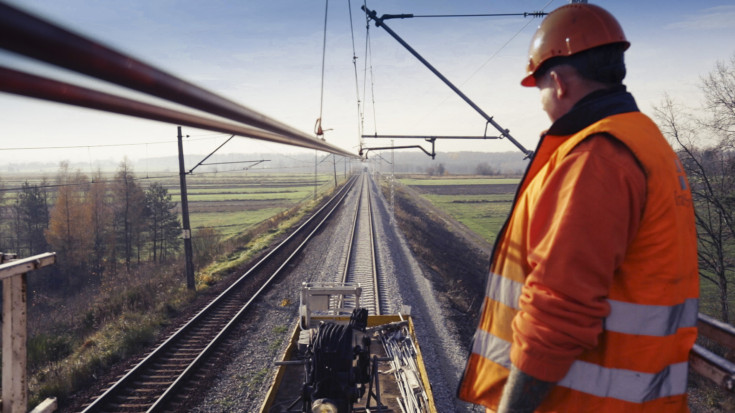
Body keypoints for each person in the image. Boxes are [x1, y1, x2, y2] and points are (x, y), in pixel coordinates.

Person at [457, 3, 699, 412]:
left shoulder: (597, 157)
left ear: (558, 81)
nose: (542, 103)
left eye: (539, 90)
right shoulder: (647, 140)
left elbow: (558, 310)